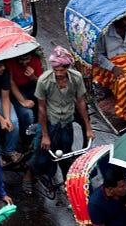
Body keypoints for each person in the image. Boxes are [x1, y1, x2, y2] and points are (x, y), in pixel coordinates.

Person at [23, 47, 93, 194]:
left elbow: (80, 102)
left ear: (68, 67)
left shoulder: (76, 78)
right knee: (40, 155)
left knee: (66, 154)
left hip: (67, 122)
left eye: (63, 70)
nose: (60, 74)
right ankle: (28, 176)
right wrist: (45, 135)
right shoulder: (44, 80)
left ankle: (70, 185)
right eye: (57, 70)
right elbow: (41, 108)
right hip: (50, 123)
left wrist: (88, 128)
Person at [7, 50, 43, 150]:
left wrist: (32, 76)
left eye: (27, 59)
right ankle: (28, 142)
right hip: (16, 91)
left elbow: (40, 83)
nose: (24, 62)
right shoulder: (11, 63)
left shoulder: (35, 60)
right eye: (22, 59)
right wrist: (22, 100)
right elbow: (11, 82)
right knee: (27, 114)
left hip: (32, 87)